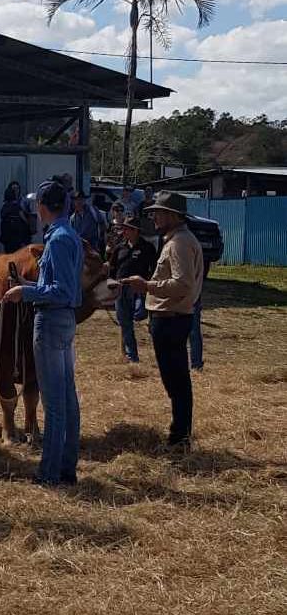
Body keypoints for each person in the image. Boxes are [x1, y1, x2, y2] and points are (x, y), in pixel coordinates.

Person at [2, 180, 82, 487]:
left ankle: (50, 473)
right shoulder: (68, 235)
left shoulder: (58, 240)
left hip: (50, 321)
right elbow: (63, 287)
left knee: (55, 401)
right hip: (64, 320)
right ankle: (66, 467)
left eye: (37, 204)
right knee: (67, 397)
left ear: (43, 207)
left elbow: (59, 291)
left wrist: (26, 291)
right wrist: (29, 286)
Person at [120, 191, 204, 451]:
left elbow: (182, 284)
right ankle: (179, 435)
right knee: (176, 382)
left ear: (173, 216)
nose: (153, 216)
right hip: (171, 318)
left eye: (158, 212)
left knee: (177, 382)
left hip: (171, 319)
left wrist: (146, 286)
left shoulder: (178, 243)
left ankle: (179, 439)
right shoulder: (178, 239)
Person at [109, 215, 156, 363]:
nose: (124, 232)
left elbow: (154, 268)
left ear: (135, 231)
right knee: (125, 323)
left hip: (139, 288)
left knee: (140, 313)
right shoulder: (119, 248)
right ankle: (132, 356)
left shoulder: (147, 247)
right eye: (123, 229)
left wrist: (149, 284)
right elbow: (112, 267)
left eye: (127, 229)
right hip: (121, 288)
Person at [0, 181, 33, 253]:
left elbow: (27, 214)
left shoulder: (23, 200)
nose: (16, 190)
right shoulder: (9, 205)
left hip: (22, 233)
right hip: (13, 233)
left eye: (17, 188)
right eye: (13, 189)